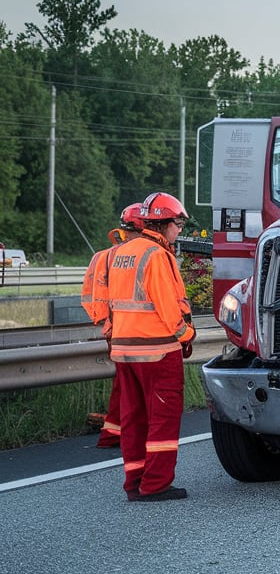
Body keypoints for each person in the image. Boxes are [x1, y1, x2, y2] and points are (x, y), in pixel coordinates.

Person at [105, 192, 195, 502]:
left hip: (123, 349)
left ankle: (135, 481)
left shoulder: (120, 252)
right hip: (157, 350)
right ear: (165, 224)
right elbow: (167, 306)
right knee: (163, 418)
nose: (179, 231)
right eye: (178, 225)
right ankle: (156, 484)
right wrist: (185, 335)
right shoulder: (157, 255)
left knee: (134, 418)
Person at [80, 203, 143, 448]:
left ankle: (113, 433)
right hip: (131, 328)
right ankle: (120, 434)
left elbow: (91, 296)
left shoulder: (106, 255)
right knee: (131, 386)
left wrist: (105, 322)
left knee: (124, 385)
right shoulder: (135, 255)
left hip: (114, 327)